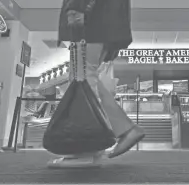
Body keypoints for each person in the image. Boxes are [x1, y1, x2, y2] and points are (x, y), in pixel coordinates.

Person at [48, 0, 145, 168]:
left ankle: (85, 151)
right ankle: (124, 129)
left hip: (91, 20)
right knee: (85, 78)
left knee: (82, 76)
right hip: (102, 22)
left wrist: (76, 6)